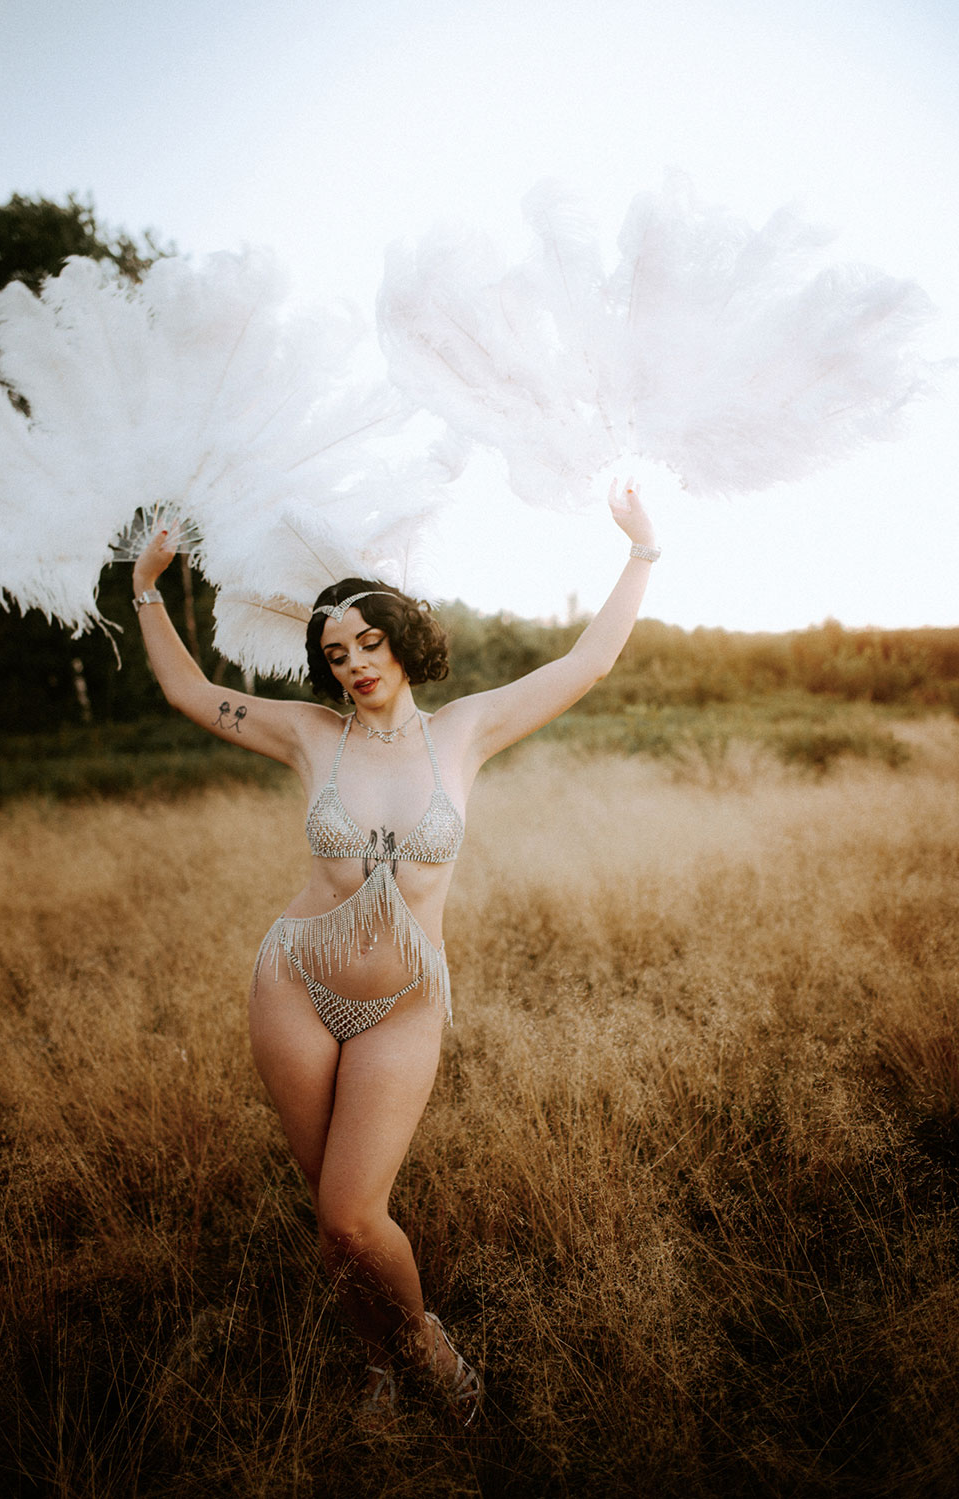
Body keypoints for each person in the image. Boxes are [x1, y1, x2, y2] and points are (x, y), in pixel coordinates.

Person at [131, 479, 659, 1430]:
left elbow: (588, 661)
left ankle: (426, 1347)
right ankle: (380, 1364)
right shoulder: (307, 734)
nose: (355, 664)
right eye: (336, 653)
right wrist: (146, 589)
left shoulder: (467, 730)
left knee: (350, 1215)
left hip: (404, 1003)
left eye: (369, 642)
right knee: (334, 1230)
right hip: (294, 985)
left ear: (401, 637)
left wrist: (640, 552)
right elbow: (187, 690)